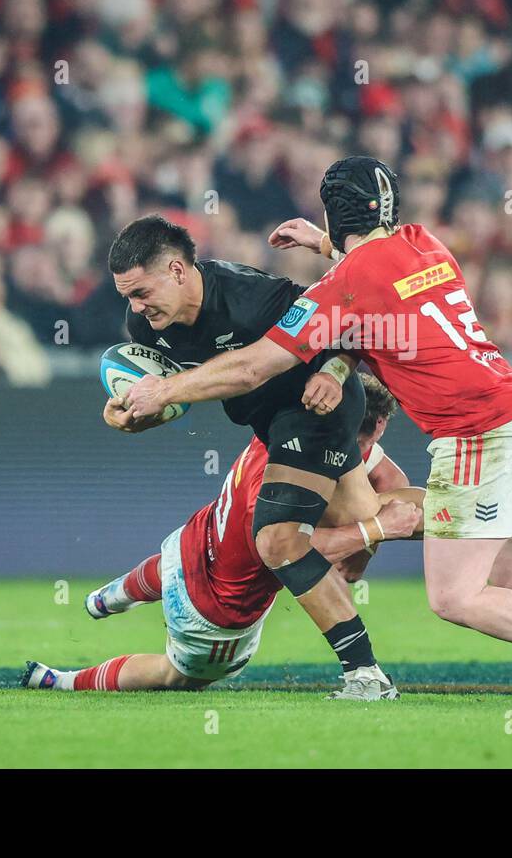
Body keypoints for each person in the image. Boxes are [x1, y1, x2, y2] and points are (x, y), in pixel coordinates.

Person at [123, 159, 512, 704]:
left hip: (478, 432)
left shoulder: (342, 285)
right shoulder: (425, 243)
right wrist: (327, 253)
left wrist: (164, 390)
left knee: (454, 596)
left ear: (333, 217)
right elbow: (377, 277)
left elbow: (252, 367)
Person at [100, 215, 399, 700]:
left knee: (279, 539)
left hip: (315, 403)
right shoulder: (146, 325)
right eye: (126, 296)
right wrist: (127, 417)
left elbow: (344, 317)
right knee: (366, 513)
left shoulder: (251, 295)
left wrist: (338, 368)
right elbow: (171, 401)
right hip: (271, 424)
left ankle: (365, 675)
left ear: (177, 270)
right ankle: (494, 517)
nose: (134, 307)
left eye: (140, 292)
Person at [23, 374, 423, 691]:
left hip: (194, 538)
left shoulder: (293, 425)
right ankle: (60, 680)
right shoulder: (285, 485)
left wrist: (370, 537)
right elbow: (294, 548)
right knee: (174, 676)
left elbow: (383, 476)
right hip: (215, 611)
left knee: (172, 564)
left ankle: (110, 597)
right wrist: (375, 529)